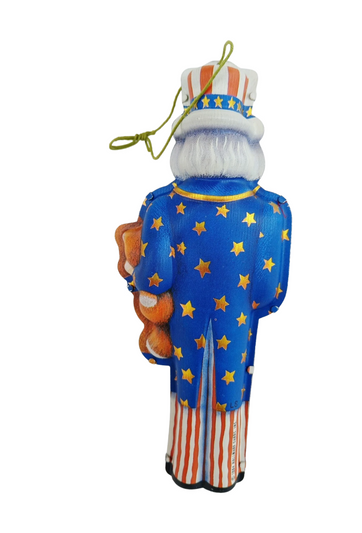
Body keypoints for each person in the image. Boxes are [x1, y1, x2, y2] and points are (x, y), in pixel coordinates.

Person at [115, 58, 292, 492]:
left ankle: (187, 463)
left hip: (186, 327)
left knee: (187, 386)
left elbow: (154, 278)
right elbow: (270, 294)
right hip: (238, 326)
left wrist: (132, 270)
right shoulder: (271, 212)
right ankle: (226, 465)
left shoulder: (163, 206)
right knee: (232, 388)